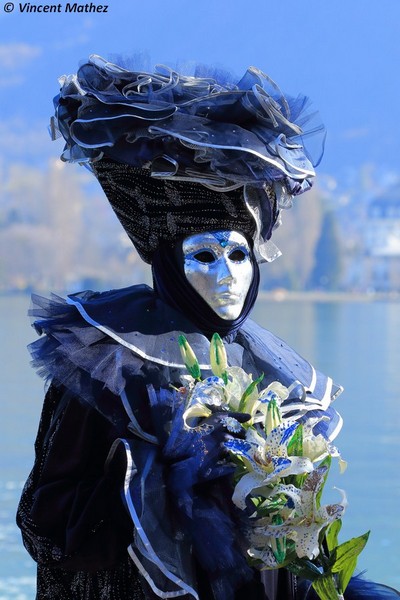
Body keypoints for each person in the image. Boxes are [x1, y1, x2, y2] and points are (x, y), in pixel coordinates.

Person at [17, 55, 399, 600]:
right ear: (169, 264)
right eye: (203, 256)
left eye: (240, 255)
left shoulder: (270, 375)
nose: (227, 276)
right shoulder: (108, 363)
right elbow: (44, 522)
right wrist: (153, 490)